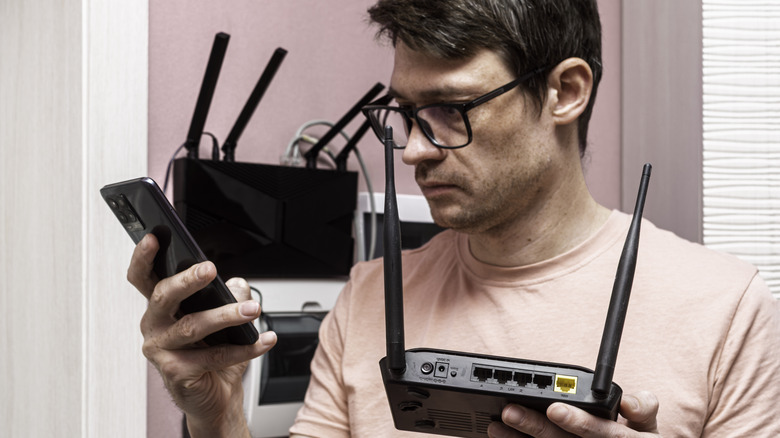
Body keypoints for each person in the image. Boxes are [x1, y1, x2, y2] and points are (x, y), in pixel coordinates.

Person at [127, 0, 780, 437]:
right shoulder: (365, 301)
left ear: (566, 91)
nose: (412, 147)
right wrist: (217, 421)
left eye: (450, 110)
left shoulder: (726, 309)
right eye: (406, 114)